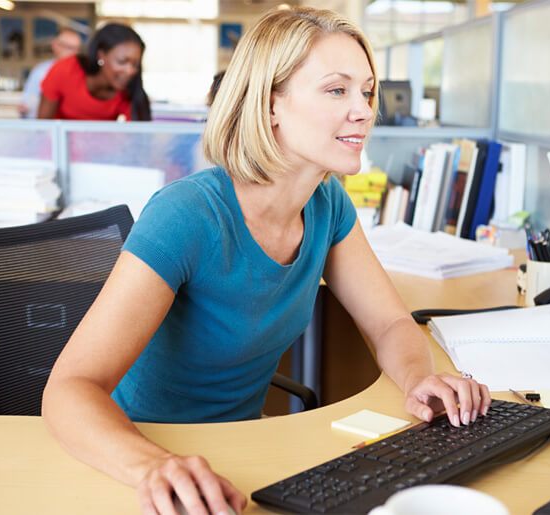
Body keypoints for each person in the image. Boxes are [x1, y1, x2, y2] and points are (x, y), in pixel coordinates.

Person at [42, 7, 491, 515]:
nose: (364, 111)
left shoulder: (327, 204)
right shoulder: (187, 214)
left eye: (366, 92)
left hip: (241, 451)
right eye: (336, 90)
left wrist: (418, 380)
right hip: (143, 462)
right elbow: (69, 389)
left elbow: (389, 323)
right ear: (270, 103)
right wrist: (151, 466)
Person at [38, 23, 151, 121]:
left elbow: (138, 135)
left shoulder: (129, 92)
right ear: (100, 55)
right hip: (60, 139)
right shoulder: (65, 70)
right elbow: (43, 127)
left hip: (103, 140)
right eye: (122, 62)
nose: (130, 71)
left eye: (135, 65)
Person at [18, 27, 82, 119]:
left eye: (77, 49)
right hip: (48, 126)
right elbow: (27, 106)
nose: (74, 53)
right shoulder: (41, 71)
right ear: (55, 46)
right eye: (69, 47)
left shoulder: (84, 73)